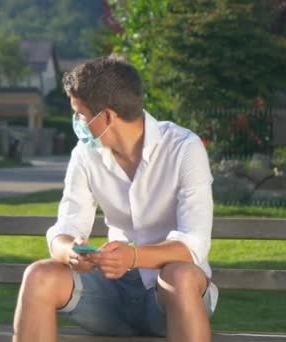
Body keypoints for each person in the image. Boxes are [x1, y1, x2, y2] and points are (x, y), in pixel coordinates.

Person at [12, 56, 218, 342]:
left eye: (80, 114)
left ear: (106, 116)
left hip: (171, 300)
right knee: (39, 275)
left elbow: (194, 244)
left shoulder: (184, 148)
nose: (78, 122)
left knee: (180, 275)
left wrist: (133, 257)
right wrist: (70, 252)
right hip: (112, 296)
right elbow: (64, 229)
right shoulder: (85, 155)